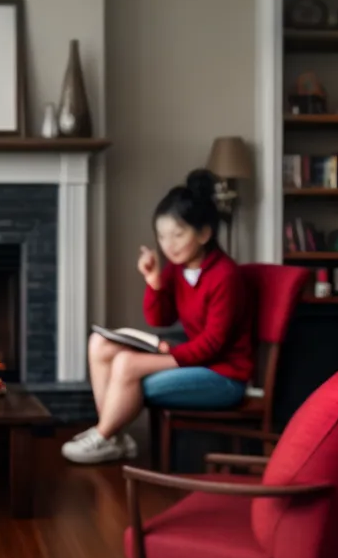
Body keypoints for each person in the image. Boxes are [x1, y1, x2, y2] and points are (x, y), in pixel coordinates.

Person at [62, 169, 253, 465]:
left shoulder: (224, 276)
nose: (169, 245)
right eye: (162, 236)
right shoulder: (178, 268)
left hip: (224, 375)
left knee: (126, 367)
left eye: (178, 235)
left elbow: (215, 344)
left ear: (204, 233)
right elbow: (159, 318)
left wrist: (170, 352)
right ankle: (116, 437)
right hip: (198, 359)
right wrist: (154, 282)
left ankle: (103, 434)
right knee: (100, 344)